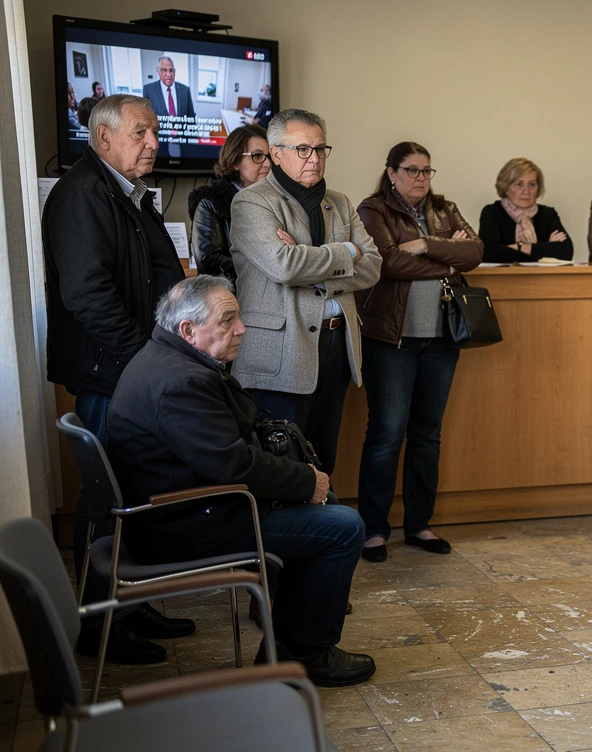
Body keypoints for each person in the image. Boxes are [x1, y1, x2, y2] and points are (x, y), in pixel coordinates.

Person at [107, 275, 375, 686]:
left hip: (185, 506)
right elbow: (233, 465)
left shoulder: (166, 357)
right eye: (229, 319)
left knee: (326, 507)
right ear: (188, 330)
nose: (242, 329)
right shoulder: (181, 382)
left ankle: (287, 648)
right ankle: (304, 654)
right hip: (186, 522)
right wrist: (305, 481)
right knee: (342, 526)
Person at [41, 94, 189, 665]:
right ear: (103, 140)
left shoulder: (123, 191)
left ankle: (130, 602)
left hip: (132, 370)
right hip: (113, 373)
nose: (153, 142)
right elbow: (87, 294)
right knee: (107, 496)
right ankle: (100, 624)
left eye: (153, 132)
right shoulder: (82, 193)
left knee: (136, 490)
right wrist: (141, 358)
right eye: (140, 133)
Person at [229, 108, 382, 479]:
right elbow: (283, 266)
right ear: (276, 152)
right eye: (302, 150)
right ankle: (288, 537)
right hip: (280, 348)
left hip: (336, 344)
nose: (314, 159)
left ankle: (322, 534)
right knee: (281, 460)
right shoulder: (252, 202)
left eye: (320, 149)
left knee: (322, 454)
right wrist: (346, 252)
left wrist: (307, 260)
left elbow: (373, 265)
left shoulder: (341, 203)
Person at [355, 142, 482, 562]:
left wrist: (427, 244)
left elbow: (476, 252)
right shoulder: (373, 210)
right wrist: (450, 254)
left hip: (442, 338)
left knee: (427, 435)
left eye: (427, 171)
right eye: (411, 170)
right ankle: (374, 529)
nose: (421, 179)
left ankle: (419, 525)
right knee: (387, 434)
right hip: (391, 340)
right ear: (391, 172)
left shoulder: (445, 208)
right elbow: (388, 262)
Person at [187, 124, 270, 280]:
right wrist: (268, 268)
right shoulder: (210, 201)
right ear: (235, 162)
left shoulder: (276, 199)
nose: (267, 163)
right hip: (230, 297)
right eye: (257, 156)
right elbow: (208, 261)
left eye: (269, 156)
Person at [478, 158, 573, 263]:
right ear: (505, 187)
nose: (526, 191)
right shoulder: (492, 212)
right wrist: (544, 251)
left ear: (538, 189)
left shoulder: (548, 214)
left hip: (542, 278)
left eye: (532, 184)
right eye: (519, 184)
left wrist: (519, 247)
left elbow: (566, 251)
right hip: (501, 278)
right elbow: (489, 253)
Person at [143, 55, 195, 120]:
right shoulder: (149, 90)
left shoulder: (185, 90)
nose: (169, 74)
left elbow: (191, 118)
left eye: (171, 70)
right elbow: (146, 119)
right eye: (164, 70)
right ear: (158, 71)